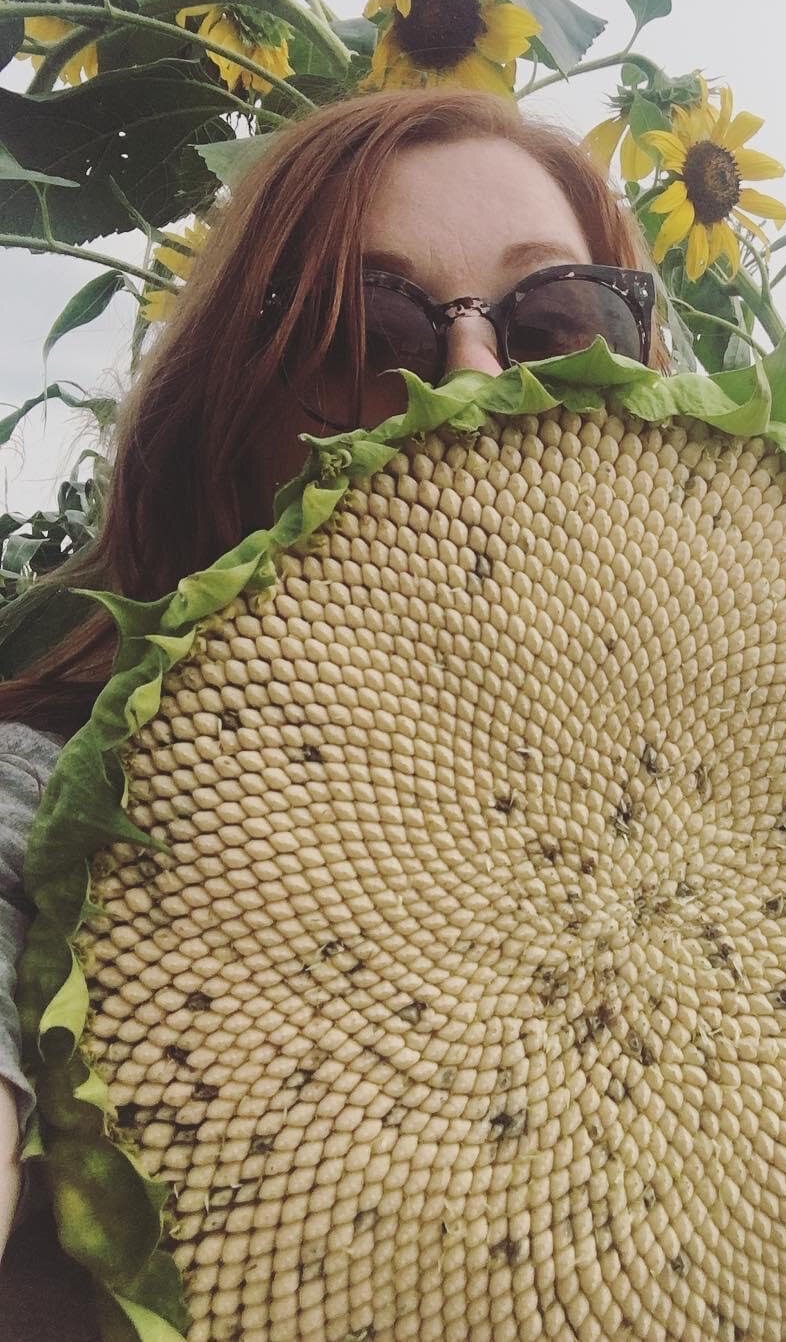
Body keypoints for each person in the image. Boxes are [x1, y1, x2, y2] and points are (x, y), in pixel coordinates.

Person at [0, 85, 670, 1330]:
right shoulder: (60, 794)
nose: (472, 386)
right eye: (368, 331)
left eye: (559, 318)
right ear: (234, 407)